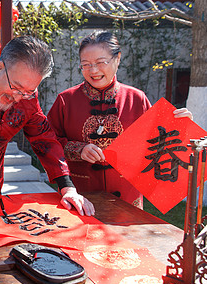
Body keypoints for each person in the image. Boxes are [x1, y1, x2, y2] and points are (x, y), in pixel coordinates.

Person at [0, 35, 95, 217]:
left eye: (28, 92)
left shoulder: (28, 99)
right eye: (15, 87)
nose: (18, 97)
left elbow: (44, 139)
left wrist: (67, 188)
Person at [47, 31, 192, 208]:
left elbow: (160, 143)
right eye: (86, 64)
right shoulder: (66, 100)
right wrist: (79, 149)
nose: (93, 70)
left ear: (118, 59)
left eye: (101, 63)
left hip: (128, 196)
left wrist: (181, 127)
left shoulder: (136, 99)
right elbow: (47, 143)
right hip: (81, 195)